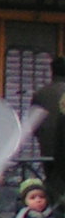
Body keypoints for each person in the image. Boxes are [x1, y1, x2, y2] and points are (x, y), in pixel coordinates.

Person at [31, 55, 65, 206]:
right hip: (60, 151)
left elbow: (33, 124)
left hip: (47, 149)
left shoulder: (41, 93)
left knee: (52, 187)